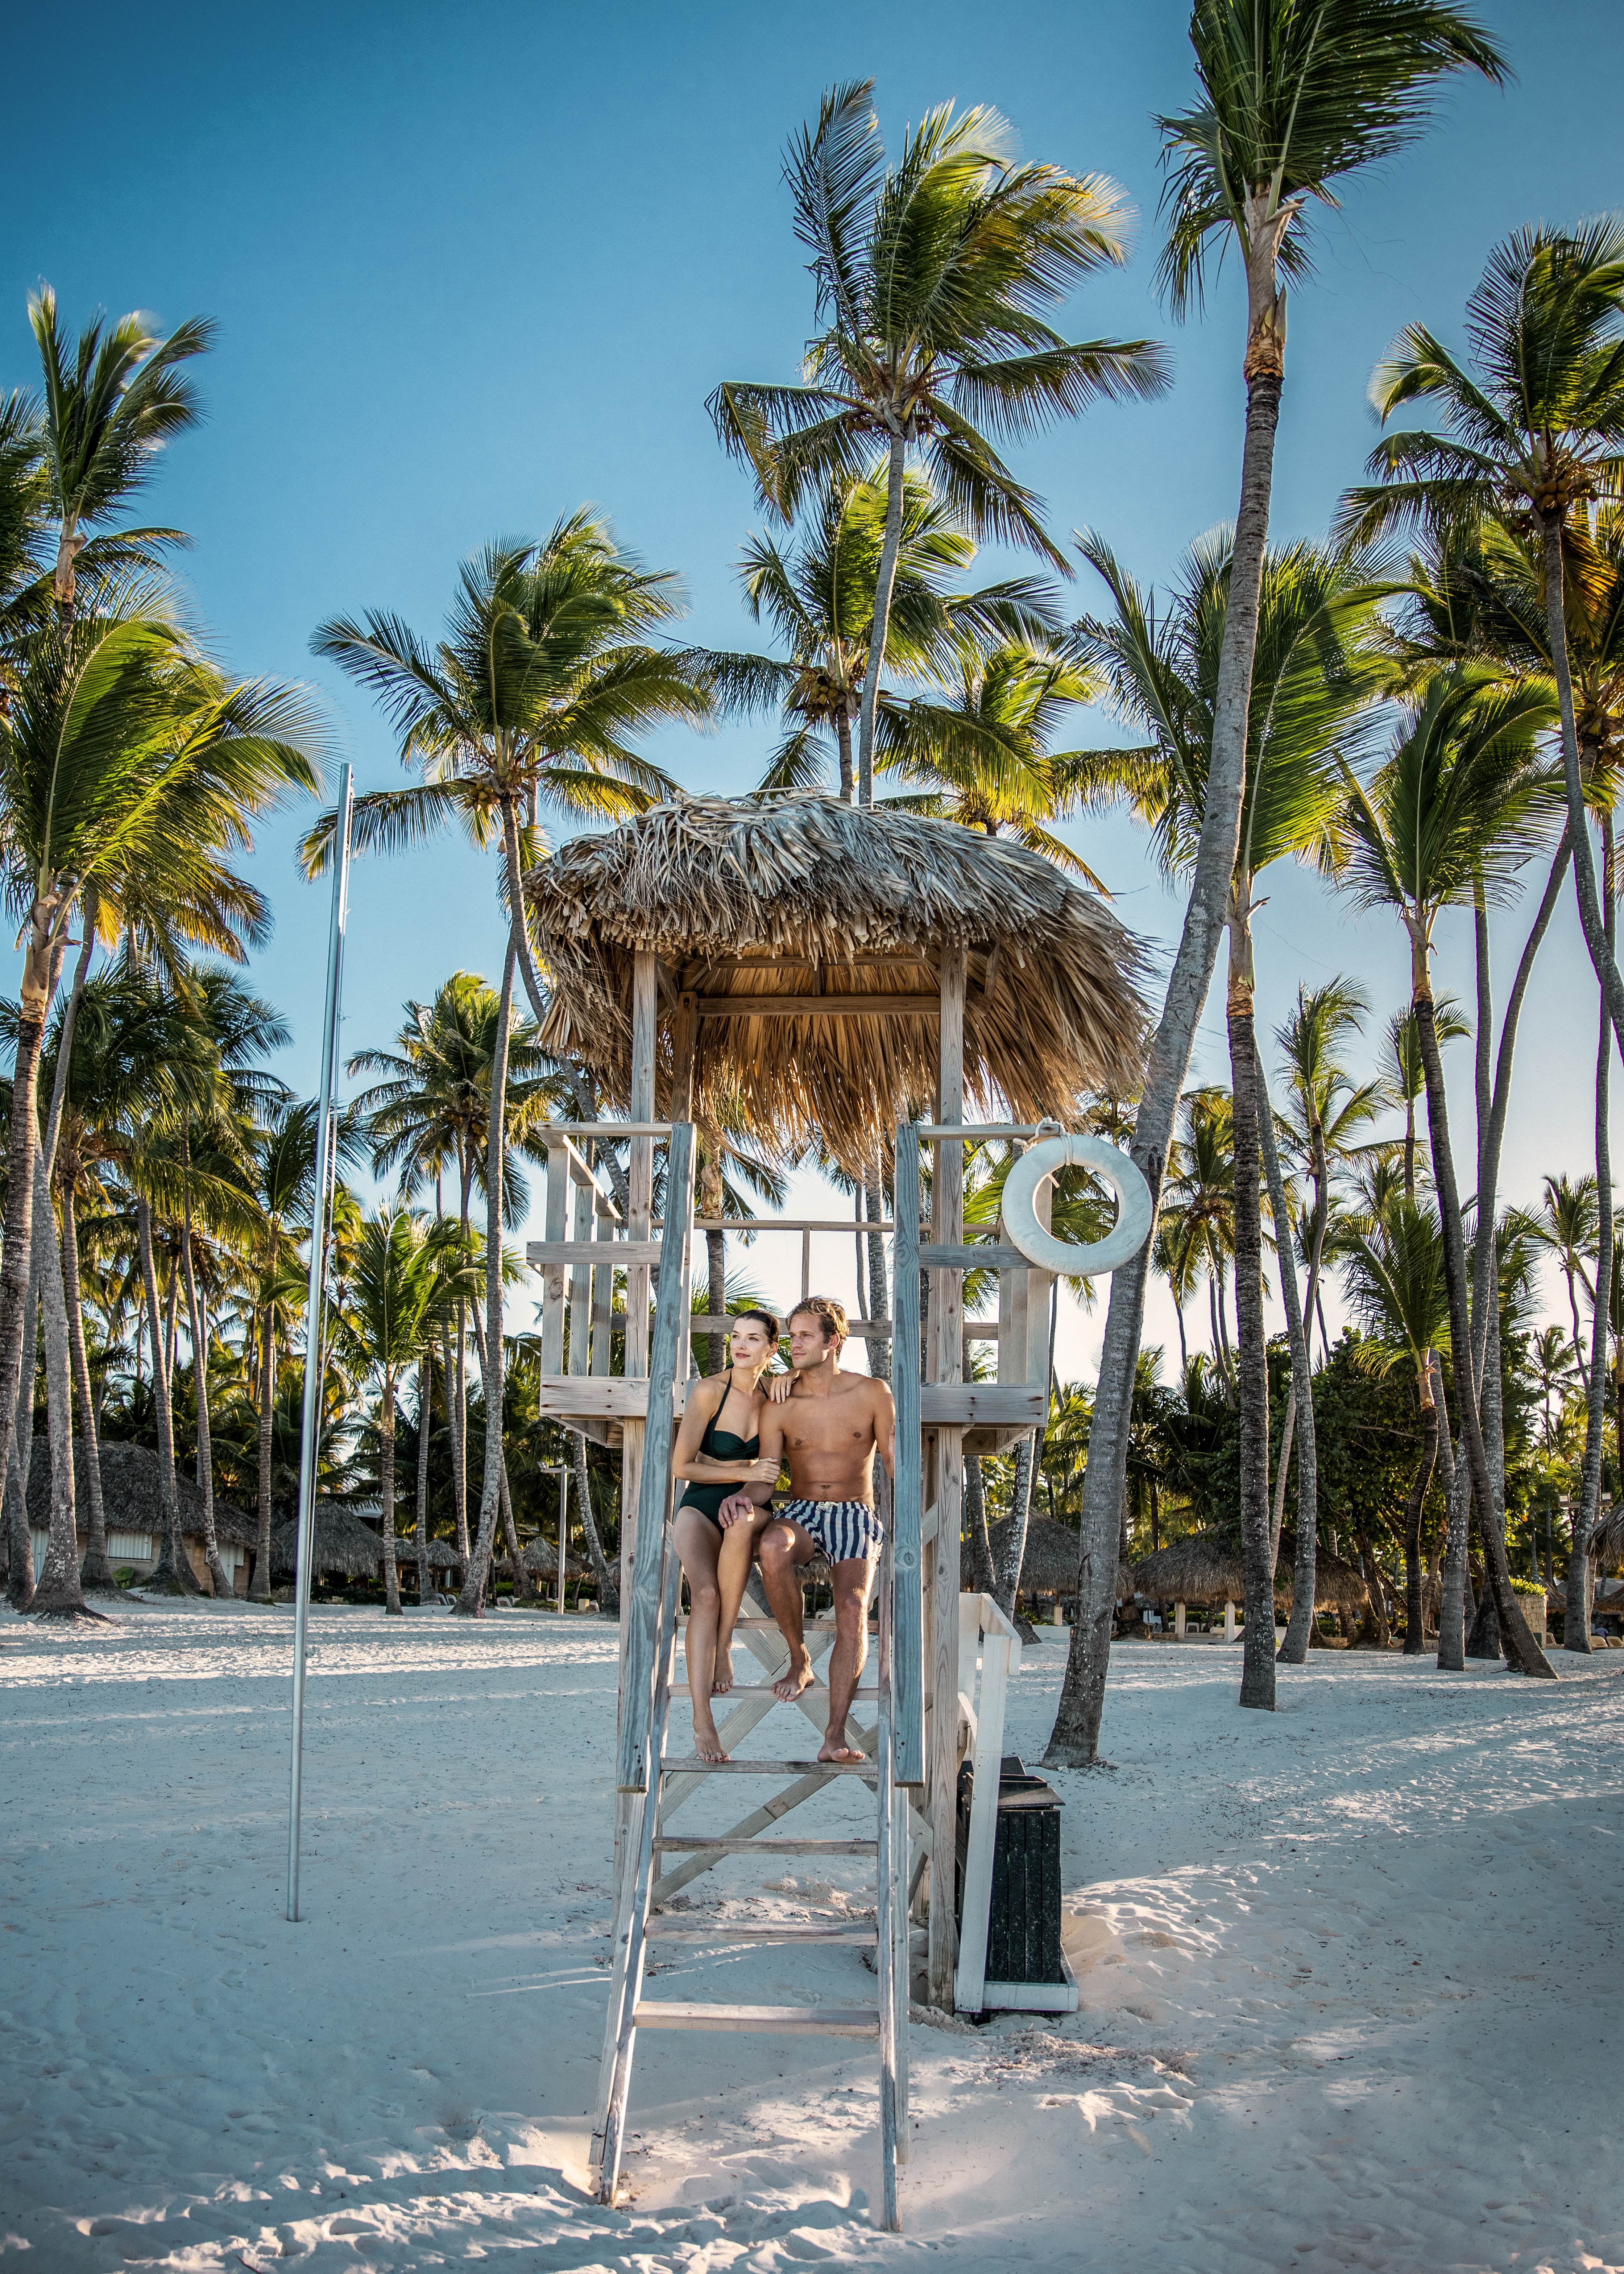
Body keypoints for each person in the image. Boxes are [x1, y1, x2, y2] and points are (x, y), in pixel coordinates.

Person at [717, 1295, 895, 1765]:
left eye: (804, 1336)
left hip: (856, 1513)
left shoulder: (873, 1392)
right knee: (772, 1545)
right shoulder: (780, 1403)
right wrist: (744, 1496)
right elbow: (767, 1475)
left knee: (854, 1608)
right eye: (791, 1336)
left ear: (832, 1341)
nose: (792, 1344)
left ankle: (834, 1736)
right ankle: (800, 1660)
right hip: (804, 1510)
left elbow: (896, 1463)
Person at [671, 1310, 781, 1764]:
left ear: (771, 1349)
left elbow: (770, 1477)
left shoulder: (776, 1398)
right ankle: (702, 1718)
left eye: (753, 1338)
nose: (740, 1344)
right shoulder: (708, 1391)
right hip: (698, 1505)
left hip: (748, 1508)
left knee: (740, 1523)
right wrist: (739, 1469)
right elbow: (682, 1466)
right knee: (706, 1593)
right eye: (736, 1336)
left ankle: (723, 1646)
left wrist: (746, 1492)